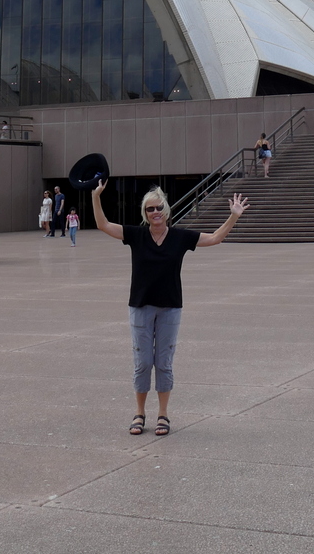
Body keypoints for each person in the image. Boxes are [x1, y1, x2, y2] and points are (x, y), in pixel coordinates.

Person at [91, 178, 248, 438]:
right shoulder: (136, 235)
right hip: (141, 307)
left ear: (167, 210)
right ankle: (139, 413)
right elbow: (103, 225)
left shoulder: (179, 237)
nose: (155, 213)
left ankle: (162, 413)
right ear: (145, 213)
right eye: (150, 209)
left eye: (159, 208)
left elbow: (215, 238)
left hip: (170, 309)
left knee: (164, 363)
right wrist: (96, 196)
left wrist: (233, 217)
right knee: (142, 363)